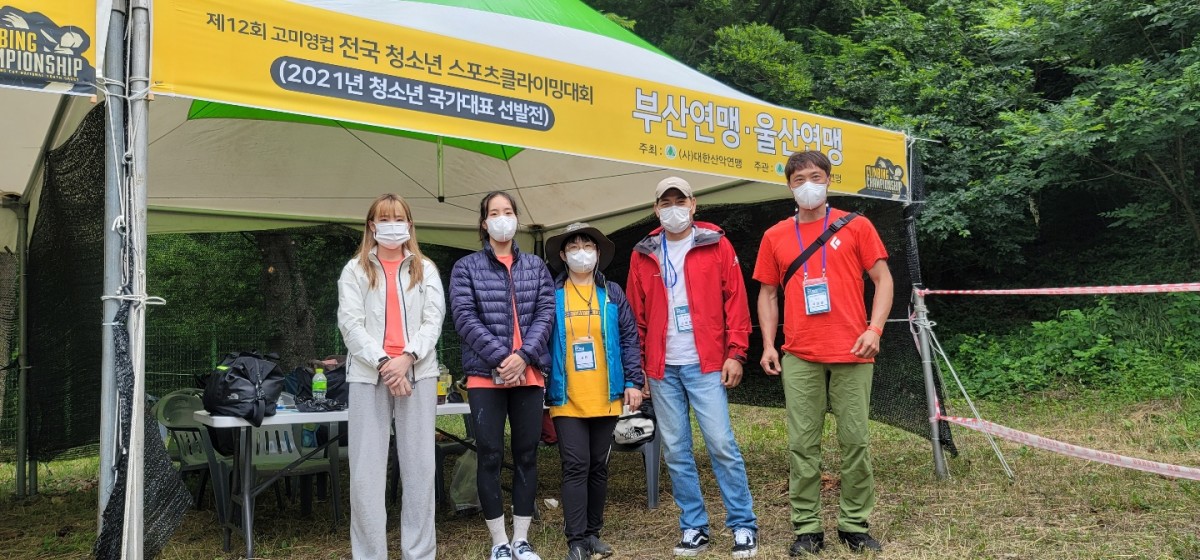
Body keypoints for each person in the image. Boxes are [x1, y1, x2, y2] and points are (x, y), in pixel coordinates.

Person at [754, 151, 893, 555]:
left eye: (815, 177)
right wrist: (768, 344)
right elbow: (767, 293)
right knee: (802, 444)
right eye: (799, 180)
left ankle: (854, 525)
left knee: (855, 442)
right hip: (800, 353)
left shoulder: (857, 225)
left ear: (830, 180)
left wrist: (875, 329)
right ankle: (807, 528)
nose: (808, 185)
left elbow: (883, 279)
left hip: (854, 349)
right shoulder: (775, 235)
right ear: (788, 186)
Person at [626, 177, 759, 558]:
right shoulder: (643, 252)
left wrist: (736, 352)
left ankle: (743, 524)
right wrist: (639, 368)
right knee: (675, 450)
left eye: (679, 201)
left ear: (693, 204)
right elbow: (635, 315)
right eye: (665, 202)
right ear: (656, 209)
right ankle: (693, 525)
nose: (674, 208)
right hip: (662, 366)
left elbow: (736, 300)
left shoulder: (716, 243)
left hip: (707, 361)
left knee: (721, 443)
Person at [337, 193, 445, 560]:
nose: (392, 225)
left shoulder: (425, 269)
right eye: (384, 218)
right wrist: (386, 363)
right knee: (365, 474)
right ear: (371, 225)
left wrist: (408, 358)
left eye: (399, 218)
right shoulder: (354, 270)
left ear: (410, 224)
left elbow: (434, 321)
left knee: (420, 470)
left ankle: (420, 553)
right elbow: (350, 324)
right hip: (369, 377)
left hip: (418, 374)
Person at [450, 191, 555, 560]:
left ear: (516, 218)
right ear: (484, 223)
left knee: (527, 454)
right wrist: (502, 359)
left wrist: (523, 357)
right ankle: (499, 541)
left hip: (529, 373)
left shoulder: (536, 267)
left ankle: (521, 539)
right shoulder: (465, 268)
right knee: (490, 455)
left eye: (507, 211)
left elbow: (546, 313)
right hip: (485, 375)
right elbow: (464, 318)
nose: (501, 218)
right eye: (494, 213)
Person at [543, 222, 645, 560]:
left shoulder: (611, 292)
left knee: (598, 466)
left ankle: (592, 534)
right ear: (563, 255)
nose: (581, 253)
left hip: (607, 393)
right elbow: (540, 337)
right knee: (576, 464)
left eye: (588, 246)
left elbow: (629, 337)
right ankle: (575, 540)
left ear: (598, 253)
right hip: (566, 395)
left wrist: (633, 381)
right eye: (574, 247)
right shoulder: (552, 295)